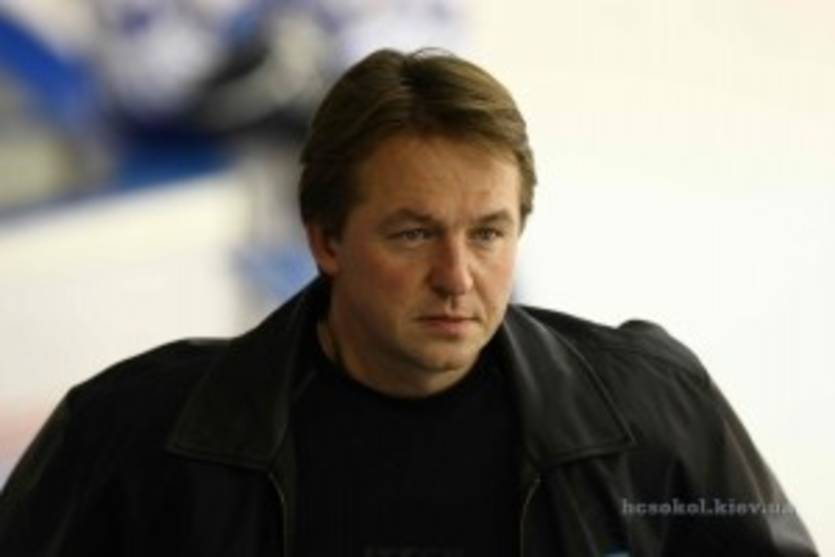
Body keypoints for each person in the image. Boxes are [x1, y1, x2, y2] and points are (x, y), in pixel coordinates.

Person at [0, 48, 817, 557]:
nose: (457, 276)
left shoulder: (653, 414)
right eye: (414, 234)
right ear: (326, 240)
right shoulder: (136, 438)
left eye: (488, 233)